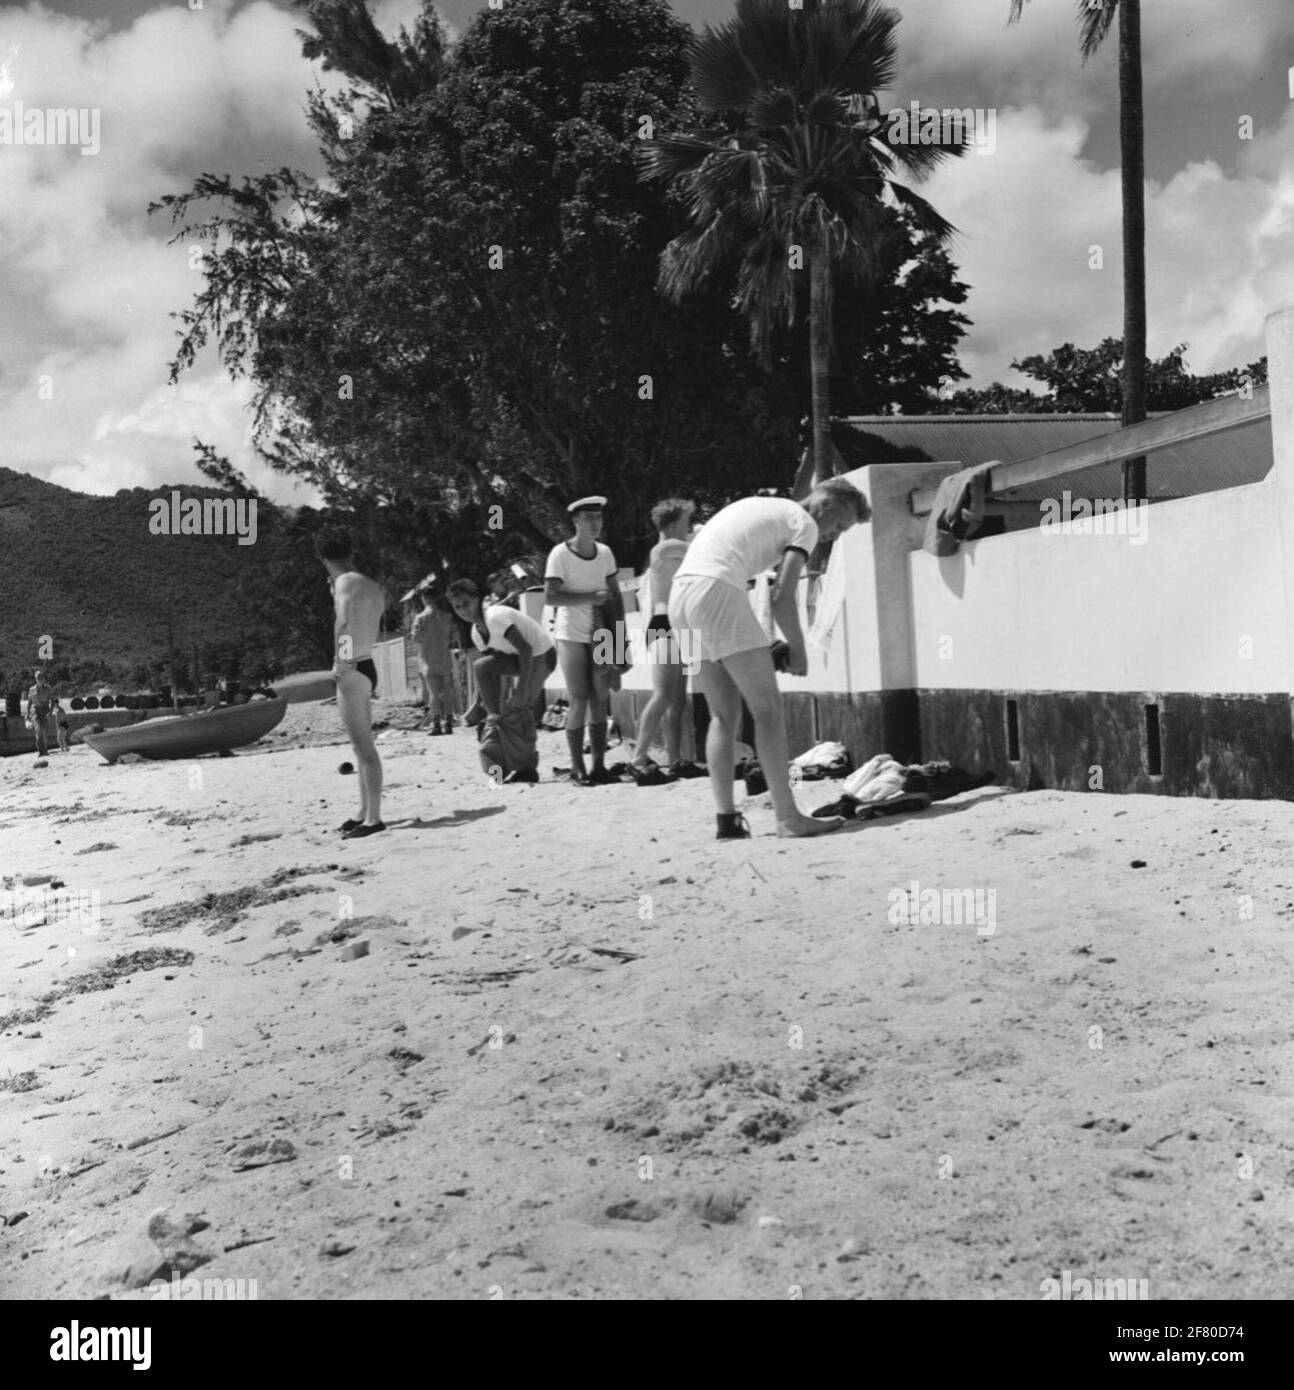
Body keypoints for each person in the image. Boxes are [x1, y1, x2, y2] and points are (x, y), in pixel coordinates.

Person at [668, 479, 871, 838]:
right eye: (839, 525)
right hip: (715, 591)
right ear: (825, 502)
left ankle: (726, 820)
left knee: (722, 715)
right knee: (768, 712)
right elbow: (781, 596)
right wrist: (798, 648)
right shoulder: (803, 522)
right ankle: (788, 818)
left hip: (681, 598)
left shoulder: (764, 507)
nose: (833, 536)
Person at [544, 496, 624, 785]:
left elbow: (615, 597)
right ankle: (578, 767)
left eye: (598, 517)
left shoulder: (605, 553)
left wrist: (620, 642)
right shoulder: (559, 554)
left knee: (601, 697)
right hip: (571, 634)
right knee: (579, 697)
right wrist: (590, 597)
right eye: (588, 517)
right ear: (575, 521)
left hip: (602, 632)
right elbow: (551, 596)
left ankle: (599, 766)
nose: (595, 523)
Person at [315, 527, 387, 838]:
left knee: (364, 748)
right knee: (361, 749)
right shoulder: (371, 585)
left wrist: (340, 660)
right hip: (367, 663)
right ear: (350, 553)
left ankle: (374, 819)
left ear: (323, 559)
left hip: (352, 666)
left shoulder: (343, 583)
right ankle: (363, 812)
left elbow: (344, 619)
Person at [631, 498, 704, 784]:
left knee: (677, 701)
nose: (689, 529)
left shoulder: (676, 551)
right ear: (673, 524)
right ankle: (638, 757)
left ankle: (675, 760)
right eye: (686, 523)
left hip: (681, 626)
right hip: (664, 625)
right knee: (662, 695)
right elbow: (701, 549)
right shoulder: (663, 549)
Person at [446, 579, 557, 716]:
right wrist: (479, 703)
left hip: (543, 655)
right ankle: (495, 718)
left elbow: (525, 649)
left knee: (520, 706)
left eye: (466, 604)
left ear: (476, 600)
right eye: (457, 607)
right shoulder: (476, 633)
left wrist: (520, 691)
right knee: (481, 666)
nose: (463, 611)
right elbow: (493, 669)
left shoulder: (494, 618)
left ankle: (521, 730)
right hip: (521, 660)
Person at [410, 588, 457, 735]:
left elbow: (415, 637)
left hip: (428, 660)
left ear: (424, 599)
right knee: (448, 692)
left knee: (433, 695)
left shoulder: (421, 617)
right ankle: (449, 723)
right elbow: (454, 637)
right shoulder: (447, 616)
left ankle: (436, 725)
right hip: (444, 658)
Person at [25, 669, 54, 760]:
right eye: (38, 677)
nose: (40, 679)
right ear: (36, 679)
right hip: (35, 710)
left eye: (42, 677)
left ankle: (44, 749)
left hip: (45, 710)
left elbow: (52, 701)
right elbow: (30, 702)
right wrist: (27, 713)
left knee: (45, 731)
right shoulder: (32, 689)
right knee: (39, 729)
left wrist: (50, 712)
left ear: (44, 678)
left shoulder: (48, 689)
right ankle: (41, 751)